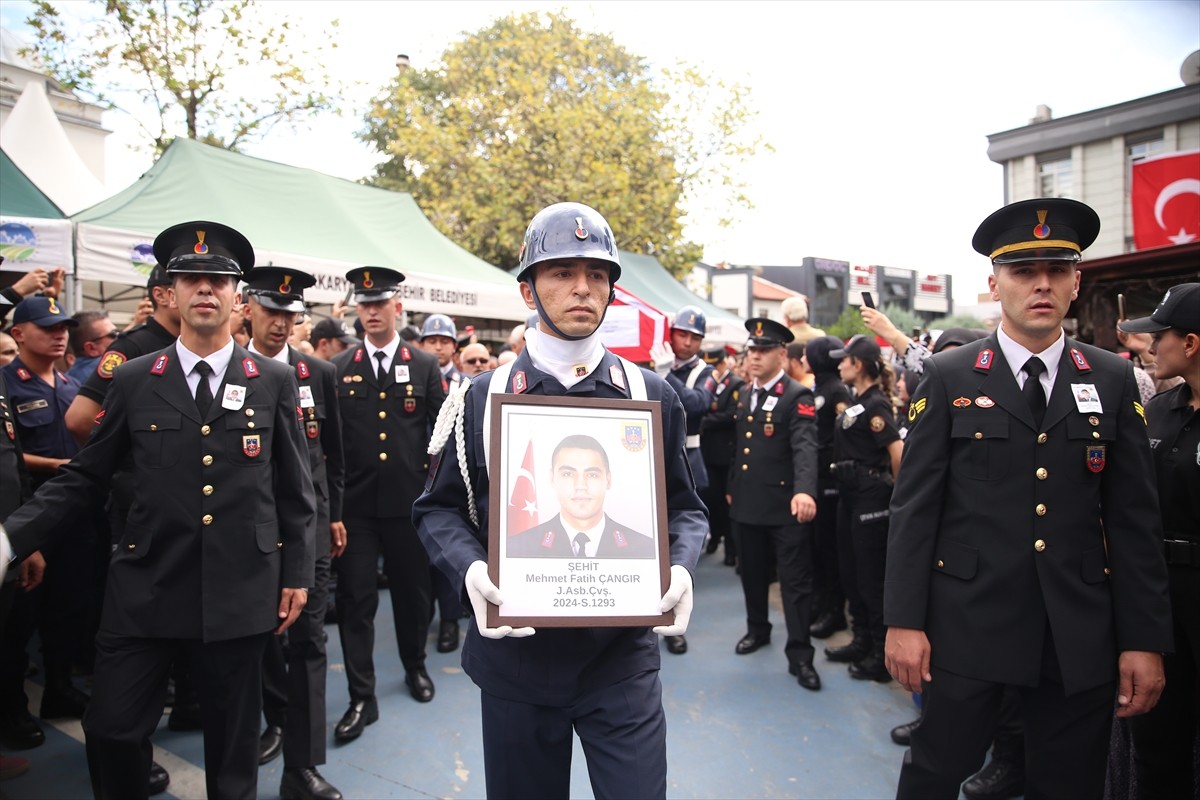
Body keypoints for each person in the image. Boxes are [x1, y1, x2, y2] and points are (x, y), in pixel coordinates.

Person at [0, 220, 317, 800]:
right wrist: (9, 539)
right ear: (168, 293)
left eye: (217, 281)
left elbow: (294, 489)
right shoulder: (137, 378)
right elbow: (86, 477)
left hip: (239, 590)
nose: (204, 290)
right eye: (190, 278)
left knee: (232, 752)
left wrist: (297, 573)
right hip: (146, 586)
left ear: (236, 298)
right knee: (112, 731)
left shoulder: (272, 380)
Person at [412, 201, 706, 799]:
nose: (582, 289)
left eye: (597, 275)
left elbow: (686, 507)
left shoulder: (650, 395)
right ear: (528, 291)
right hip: (518, 663)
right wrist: (469, 568)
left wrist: (679, 565)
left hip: (619, 661)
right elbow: (437, 508)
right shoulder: (479, 397)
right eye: (561, 273)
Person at [883, 198, 1171, 799]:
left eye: (1058, 269)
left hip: (1075, 631)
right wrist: (903, 621)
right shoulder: (950, 375)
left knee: (1069, 782)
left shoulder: (1112, 379)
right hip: (967, 623)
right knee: (937, 772)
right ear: (994, 284)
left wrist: (1143, 638)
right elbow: (915, 511)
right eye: (1022, 272)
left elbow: (1133, 520)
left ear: (1076, 280)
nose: (1042, 284)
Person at [241, 267, 346, 800]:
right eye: (271, 311)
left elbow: (332, 456)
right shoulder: (232, 373)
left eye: (289, 314)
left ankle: (302, 766)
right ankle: (273, 719)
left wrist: (333, 516)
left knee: (308, 641)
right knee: (256, 641)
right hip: (251, 533)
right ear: (248, 309)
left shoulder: (316, 374)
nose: (280, 323)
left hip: (306, 531)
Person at [331, 266, 445, 736]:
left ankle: (415, 665)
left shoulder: (424, 365)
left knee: (412, 597)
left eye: (380, 304)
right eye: (365, 304)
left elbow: (438, 438)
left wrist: (434, 499)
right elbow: (331, 446)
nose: (372, 312)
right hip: (356, 509)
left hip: (407, 506)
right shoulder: (338, 369)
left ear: (397, 307)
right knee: (355, 601)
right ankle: (362, 696)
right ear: (357, 310)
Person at [1118, 282, 1200, 799]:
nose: (1150, 346)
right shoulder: (1161, 410)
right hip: (1160, 597)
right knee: (1156, 748)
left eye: (1160, 336)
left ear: (1190, 343)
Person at [1, 297, 95, 724]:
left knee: (67, 609)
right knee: (21, 620)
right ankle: (15, 710)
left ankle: (59, 691)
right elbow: (10, 454)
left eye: (63, 328)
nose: (60, 335)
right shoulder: (6, 384)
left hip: (73, 518)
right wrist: (56, 465)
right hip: (27, 509)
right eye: (48, 328)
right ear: (18, 333)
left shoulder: (72, 387)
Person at [726, 317, 822, 691]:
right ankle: (757, 630)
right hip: (748, 502)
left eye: (763, 350)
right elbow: (741, 446)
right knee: (751, 573)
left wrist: (805, 490)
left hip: (785, 505)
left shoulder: (796, 395)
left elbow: (805, 447)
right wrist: (733, 484)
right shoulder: (744, 392)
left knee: (795, 584)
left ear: (782, 354)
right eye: (752, 350)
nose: (755, 357)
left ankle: (800, 655)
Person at [826, 334, 902, 683]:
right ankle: (862, 640)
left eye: (844, 359)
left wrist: (899, 501)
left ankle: (881, 652)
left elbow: (896, 452)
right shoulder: (857, 401)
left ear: (858, 364)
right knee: (851, 571)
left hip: (871, 496)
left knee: (871, 577)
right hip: (849, 494)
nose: (839, 364)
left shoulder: (875, 405)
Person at [649, 304, 715, 655]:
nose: (686, 342)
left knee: (680, 546)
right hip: (649, 458)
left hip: (688, 458)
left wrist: (665, 376)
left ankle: (673, 622)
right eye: (682, 334)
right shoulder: (653, 358)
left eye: (694, 337)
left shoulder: (706, 371)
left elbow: (697, 404)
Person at [507, 434, 656, 558]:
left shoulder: (646, 549)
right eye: (568, 474)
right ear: (552, 479)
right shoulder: (518, 547)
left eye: (592, 475)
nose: (580, 485)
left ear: (608, 480)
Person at [804, 336, 854, 640]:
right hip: (816, 479)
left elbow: (843, 432)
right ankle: (821, 603)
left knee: (829, 549)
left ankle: (834, 611)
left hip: (830, 482)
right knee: (817, 548)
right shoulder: (818, 388)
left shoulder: (835, 390)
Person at [699, 346, 744, 566]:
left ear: (724, 363)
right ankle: (715, 536)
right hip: (708, 450)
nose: (713, 370)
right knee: (712, 500)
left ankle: (731, 548)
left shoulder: (735, 384)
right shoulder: (707, 385)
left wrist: (707, 421)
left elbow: (732, 414)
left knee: (727, 503)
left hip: (726, 451)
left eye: (715, 365)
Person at [66, 310, 119, 384]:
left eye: (118, 331)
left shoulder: (68, 379)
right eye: (113, 334)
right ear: (91, 348)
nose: (119, 336)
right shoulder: (108, 369)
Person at [421, 313, 463, 393]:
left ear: (454, 346)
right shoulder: (415, 380)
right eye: (432, 342)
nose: (438, 347)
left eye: (445, 341)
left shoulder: (466, 383)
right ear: (422, 345)